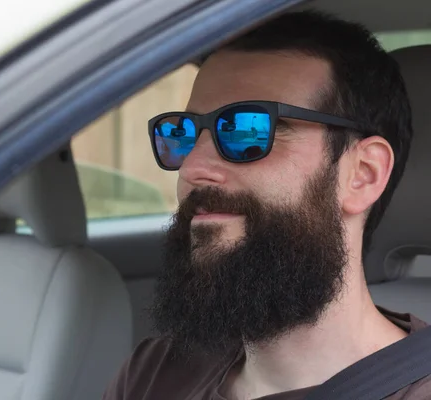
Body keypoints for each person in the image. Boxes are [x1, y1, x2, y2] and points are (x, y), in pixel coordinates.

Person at [103, 10, 429, 400]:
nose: (192, 167)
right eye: (183, 133)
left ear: (363, 174)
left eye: (247, 129)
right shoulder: (155, 372)